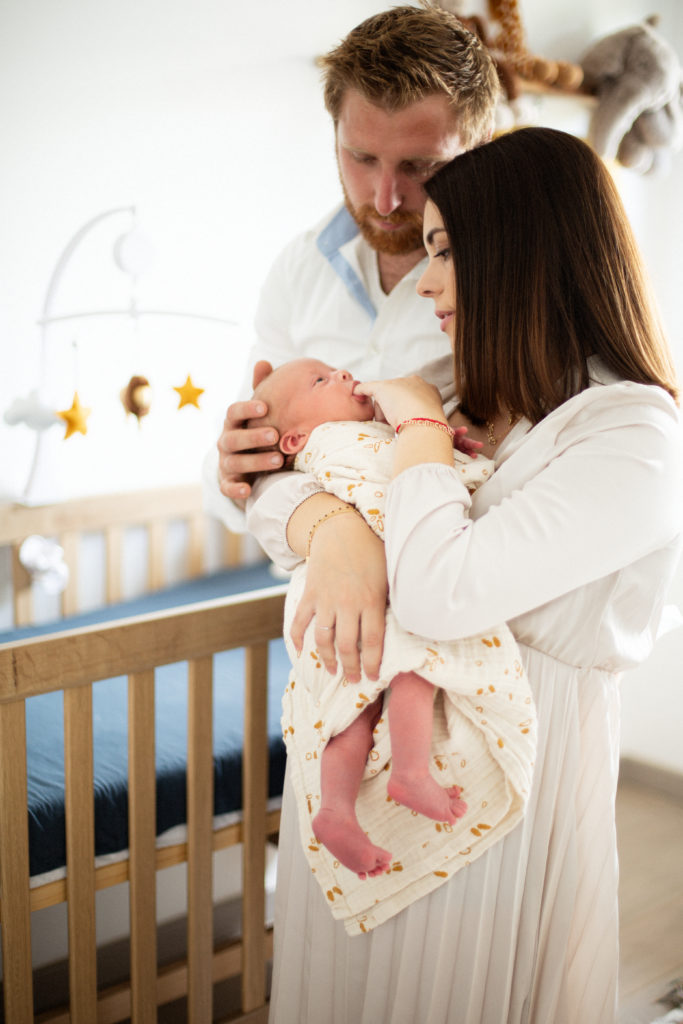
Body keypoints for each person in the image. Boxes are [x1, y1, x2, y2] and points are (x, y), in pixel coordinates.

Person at [265, 127, 683, 1024]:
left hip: (493, 786)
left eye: (446, 251)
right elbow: (281, 486)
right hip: (350, 774)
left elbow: (438, 592)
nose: (425, 282)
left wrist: (414, 432)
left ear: (525, 250)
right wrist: (328, 526)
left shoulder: (630, 436)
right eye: (427, 253)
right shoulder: (464, 394)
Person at [245, 357, 536, 902]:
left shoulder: (364, 430)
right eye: (319, 381)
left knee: (352, 711)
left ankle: (335, 808)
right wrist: (442, 460)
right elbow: (389, 481)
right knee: (418, 670)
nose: (340, 376)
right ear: (295, 438)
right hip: (351, 593)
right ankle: (410, 769)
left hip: (355, 598)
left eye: (334, 369)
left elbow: (409, 460)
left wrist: (444, 448)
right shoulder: (330, 445)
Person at [203, 5, 501, 527]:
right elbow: (229, 490)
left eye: (420, 166)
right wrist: (237, 466)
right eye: (361, 158)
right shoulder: (301, 269)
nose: (385, 200)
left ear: (478, 149)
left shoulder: (510, 283)